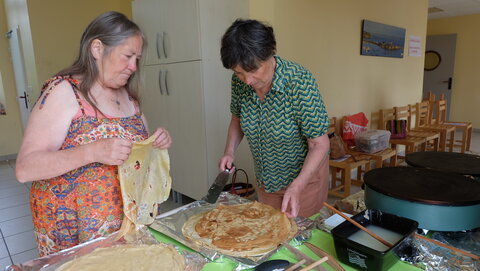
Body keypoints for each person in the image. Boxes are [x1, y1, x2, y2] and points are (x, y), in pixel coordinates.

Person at [15, 11, 172, 256]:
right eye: (128, 56)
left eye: (137, 59)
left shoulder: (129, 99)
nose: (133, 67)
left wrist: (155, 146)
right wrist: (92, 151)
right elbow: (25, 168)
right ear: (97, 49)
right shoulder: (63, 92)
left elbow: (138, 162)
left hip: (123, 229)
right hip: (72, 233)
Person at [218, 19, 330, 219]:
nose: (248, 81)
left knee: (297, 237)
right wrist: (229, 152)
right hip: (266, 180)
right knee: (272, 233)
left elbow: (319, 144)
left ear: (270, 52)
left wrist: (297, 187)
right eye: (239, 73)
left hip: (304, 181)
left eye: (253, 70)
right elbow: (237, 117)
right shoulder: (240, 82)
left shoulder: (299, 81)